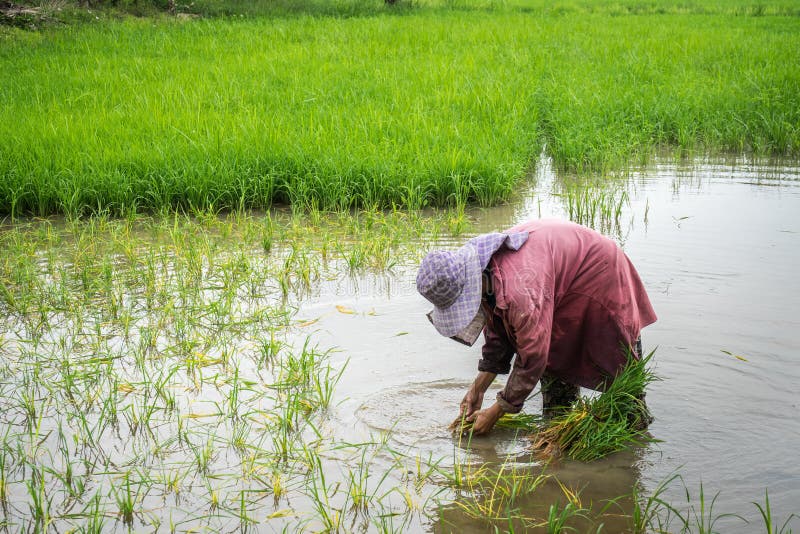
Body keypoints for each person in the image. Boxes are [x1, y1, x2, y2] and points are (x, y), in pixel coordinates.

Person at [416, 219, 657, 435]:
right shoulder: (487, 275)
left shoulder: (519, 288)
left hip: (600, 277)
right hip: (554, 283)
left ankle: (634, 443)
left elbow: (533, 356)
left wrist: (497, 411)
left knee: (623, 388)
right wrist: (478, 388)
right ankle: (559, 426)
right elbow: (499, 329)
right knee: (555, 378)